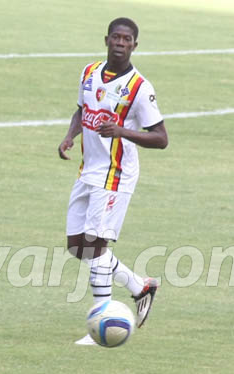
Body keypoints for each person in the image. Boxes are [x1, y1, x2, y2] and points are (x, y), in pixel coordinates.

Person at [58, 17, 169, 344]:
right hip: (88, 171)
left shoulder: (139, 88)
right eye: (116, 37)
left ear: (135, 45)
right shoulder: (89, 73)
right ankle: (140, 287)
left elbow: (161, 138)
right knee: (78, 246)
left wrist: (122, 132)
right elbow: (81, 111)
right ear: (107, 39)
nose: (120, 43)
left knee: (95, 244)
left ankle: (102, 321)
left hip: (116, 175)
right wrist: (69, 137)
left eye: (127, 39)